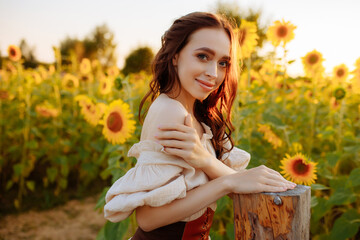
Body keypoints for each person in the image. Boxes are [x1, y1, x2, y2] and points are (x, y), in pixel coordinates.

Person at [104, 12, 296, 239]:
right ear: (175, 55)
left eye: (223, 63)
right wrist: (227, 183)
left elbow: (237, 187)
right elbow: (148, 219)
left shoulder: (198, 114)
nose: (214, 74)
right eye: (203, 56)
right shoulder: (170, 110)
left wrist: (206, 162)